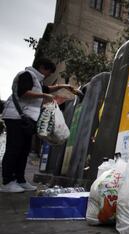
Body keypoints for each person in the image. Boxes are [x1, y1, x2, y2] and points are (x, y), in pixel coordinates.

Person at [0, 57, 75, 193]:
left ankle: (20, 180)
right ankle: (7, 182)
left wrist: (64, 87)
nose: (47, 75)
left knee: (23, 151)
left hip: (26, 119)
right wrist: (45, 96)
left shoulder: (36, 80)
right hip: (16, 117)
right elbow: (23, 93)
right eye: (48, 72)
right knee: (14, 149)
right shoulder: (27, 75)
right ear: (42, 68)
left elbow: (48, 88)